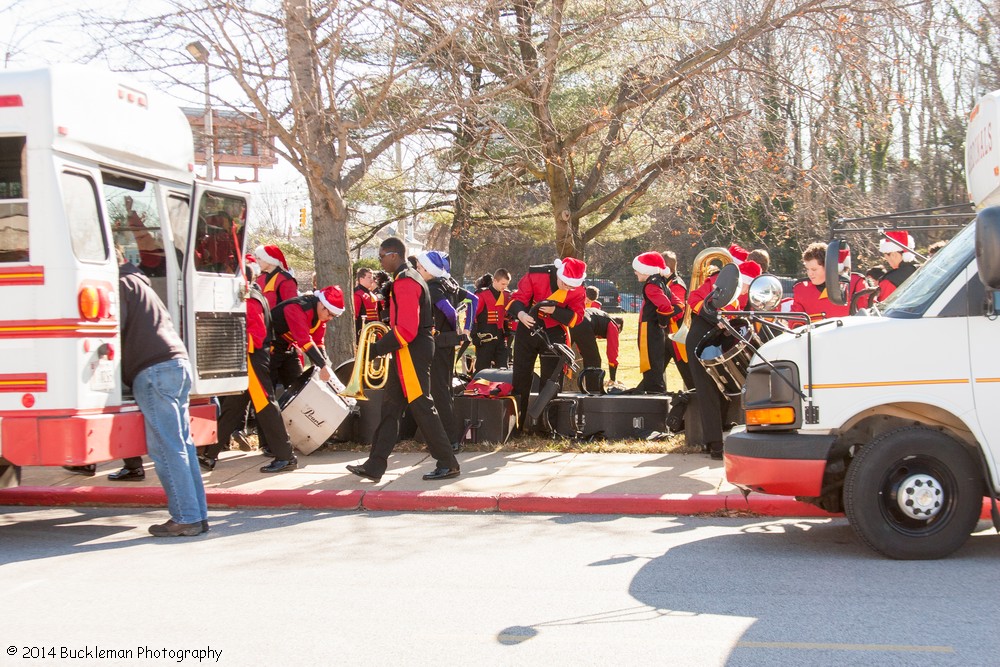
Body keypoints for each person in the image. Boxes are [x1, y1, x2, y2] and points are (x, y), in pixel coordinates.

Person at [346, 237, 461, 482]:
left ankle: (448, 462)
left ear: (394, 255)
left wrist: (375, 349)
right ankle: (375, 465)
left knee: (423, 408)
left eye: (381, 256)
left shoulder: (405, 282)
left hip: (412, 351)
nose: (379, 261)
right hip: (408, 350)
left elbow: (406, 330)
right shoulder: (406, 278)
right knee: (390, 410)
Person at [118, 247, 208, 537]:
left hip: (153, 371)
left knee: (167, 448)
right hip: (176, 365)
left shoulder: (120, 285)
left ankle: (186, 517)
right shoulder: (140, 282)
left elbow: (111, 330)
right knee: (183, 444)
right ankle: (197, 514)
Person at [199, 272, 298, 474]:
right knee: (233, 407)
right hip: (251, 357)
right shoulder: (253, 294)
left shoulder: (249, 298)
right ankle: (209, 454)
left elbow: (256, 333)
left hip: (251, 357)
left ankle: (286, 456)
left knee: (266, 407)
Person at [688, 260, 761, 460]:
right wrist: (714, 318)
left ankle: (717, 437)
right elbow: (693, 300)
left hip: (718, 341)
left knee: (724, 389)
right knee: (707, 391)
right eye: (747, 285)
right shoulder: (715, 281)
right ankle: (714, 445)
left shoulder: (742, 294)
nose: (747, 290)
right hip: (700, 339)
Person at [507, 257, 587, 431]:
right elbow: (518, 298)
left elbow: (576, 317)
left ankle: (547, 427)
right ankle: (516, 426)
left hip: (554, 332)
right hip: (528, 326)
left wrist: (554, 311)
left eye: (571, 286)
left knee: (551, 381)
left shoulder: (578, 289)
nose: (567, 287)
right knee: (521, 376)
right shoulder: (537, 275)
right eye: (564, 283)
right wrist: (521, 314)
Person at [415, 250, 478, 449]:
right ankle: (445, 437)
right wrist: (464, 329)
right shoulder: (450, 283)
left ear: (430, 269)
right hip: (447, 344)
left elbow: (450, 312)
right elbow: (473, 300)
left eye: (420, 267)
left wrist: (457, 327)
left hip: (438, 344)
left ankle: (450, 440)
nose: (417, 270)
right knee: (445, 390)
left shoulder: (433, 287)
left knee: (439, 391)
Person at [269, 285, 344, 389]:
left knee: (298, 386)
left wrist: (324, 364)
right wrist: (322, 365)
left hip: (288, 347)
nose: (330, 318)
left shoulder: (321, 316)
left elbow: (318, 342)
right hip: (270, 346)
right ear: (322, 304)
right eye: (330, 314)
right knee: (267, 389)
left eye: (334, 316)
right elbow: (304, 341)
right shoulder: (297, 308)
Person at [632, 252, 684, 394]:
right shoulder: (661, 283)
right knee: (655, 364)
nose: (635, 272)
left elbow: (665, 306)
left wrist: (662, 321)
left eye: (637, 269)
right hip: (657, 331)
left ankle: (655, 395)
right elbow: (678, 305)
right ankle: (655, 392)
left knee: (650, 365)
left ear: (645, 270)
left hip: (650, 329)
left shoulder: (651, 286)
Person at [661, 250, 693, 391]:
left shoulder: (676, 284)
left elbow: (679, 309)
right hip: (668, 334)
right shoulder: (666, 282)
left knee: (686, 370)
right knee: (657, 368)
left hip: (676, 335)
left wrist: (662, 316)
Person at [472, 269, 512, 373]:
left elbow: (507, 315)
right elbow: (472, 315)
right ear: (495, 280)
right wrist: (474, 334)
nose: (504, 287)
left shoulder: (507, 295)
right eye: (503, 284)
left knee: (503, 370)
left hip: (501, 338)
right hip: (485, 338)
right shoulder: (482, 294)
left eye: (506, 284)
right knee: (482, 370)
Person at [878, 230, 917, 301]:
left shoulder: (890, 281)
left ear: (893, 255)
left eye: (887, 258)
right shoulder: (924, 269)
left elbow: (883, 308)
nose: (888, 262)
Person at [353, 267, 381, 338]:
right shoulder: (357, 293)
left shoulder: (371, 294)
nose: (372, 280)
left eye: (372, 277)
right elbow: (355, 317)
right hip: (362, 332)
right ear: (361, 279)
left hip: (373, 331)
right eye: (369, 277)